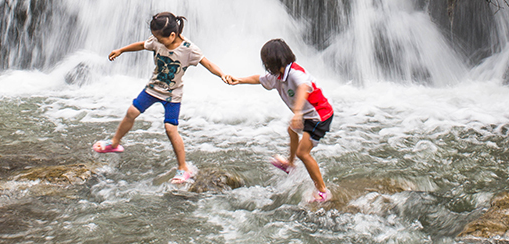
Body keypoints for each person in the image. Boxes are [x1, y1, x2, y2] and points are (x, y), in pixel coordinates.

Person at [93, 12, 230, 184]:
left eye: (159, 38)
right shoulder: (157, 40)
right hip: (153, 89)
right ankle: (114, 143)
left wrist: (222, 75)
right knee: (131, 112)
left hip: (172, 95)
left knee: (170, 129)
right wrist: (121, 50)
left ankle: (183, 168)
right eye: (155, 37)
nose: (156, 41)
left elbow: (208, 63)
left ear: (172, 35)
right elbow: (142, 45)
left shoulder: (189, 49)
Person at [226, 38, 334, 203]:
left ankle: (322, 191)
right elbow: (258, 79)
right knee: (291, 131)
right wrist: (239, 80)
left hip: (319, 115)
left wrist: (297, 113)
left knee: (303, 153)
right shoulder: (277, 76)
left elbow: (304, 87)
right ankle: (290, 165)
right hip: (307, 115)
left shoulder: (295, 73)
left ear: (271, 62)